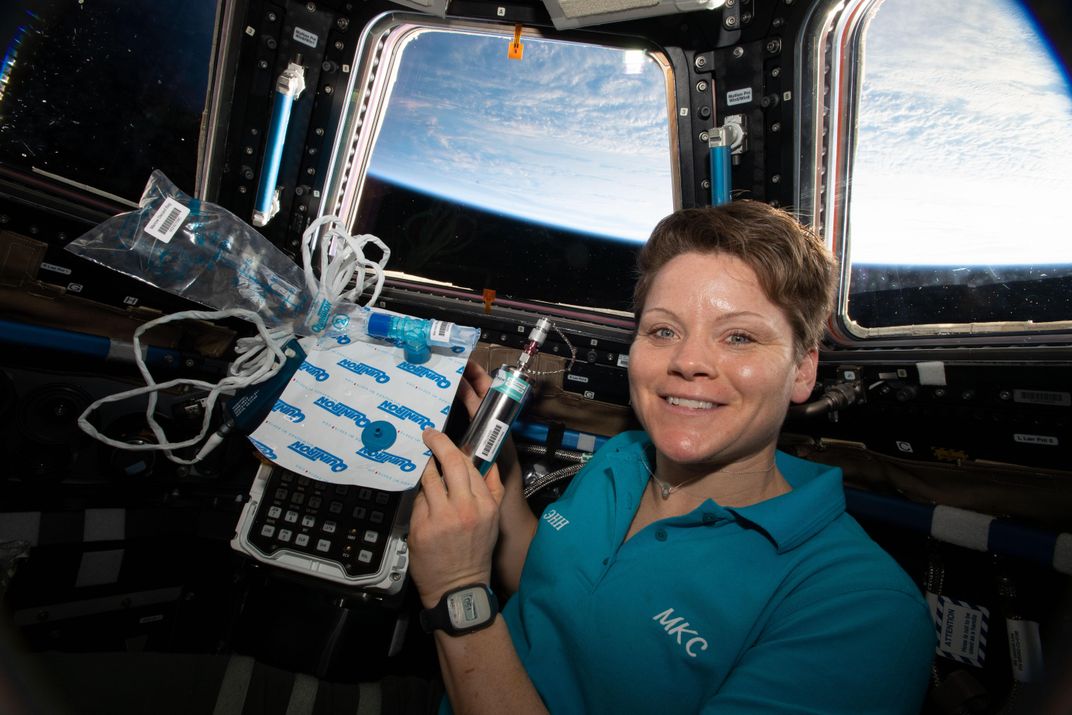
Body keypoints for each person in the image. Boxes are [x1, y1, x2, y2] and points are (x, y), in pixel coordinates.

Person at [408, 200, 935, 714]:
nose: (688, 361)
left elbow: (468, 596)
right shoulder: (623, 456)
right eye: (663, 330)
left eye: (739, 337)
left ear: (802, 370)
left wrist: (458, 596)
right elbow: (545, 583)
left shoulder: (860, 611)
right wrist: (497, 470)